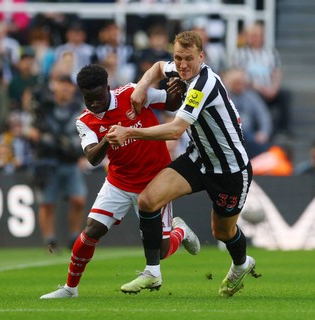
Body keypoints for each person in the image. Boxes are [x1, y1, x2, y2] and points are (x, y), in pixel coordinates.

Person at [107, 31, 260, 297]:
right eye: (178, 58)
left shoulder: (204, 84)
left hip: (230, 170)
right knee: (147, 201)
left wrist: (128, 132)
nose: (182, 65)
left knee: (222, 231)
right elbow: (156, 68)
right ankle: (152, 273)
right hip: (198, 158)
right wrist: (142, 86)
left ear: (201, 57)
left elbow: (176, 129)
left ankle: (241, 264)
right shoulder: (179, 69)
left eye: (188, 59)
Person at [40, 64, 200, 299]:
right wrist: (107, 139)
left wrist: (175, 90)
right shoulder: (84, 121)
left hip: (155, 181)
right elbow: (93, 158)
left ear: (108, 88)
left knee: (162, 251)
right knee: (92, 229)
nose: (93, 104)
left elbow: (171, 103)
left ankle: (180, 232)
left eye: (97, 97)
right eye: (87, 99)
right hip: (119, 182)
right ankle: (70, 288)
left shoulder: (132, 93)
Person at [27, 74, 88, 252]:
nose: (65, 89)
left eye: (69, 86)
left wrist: (82, 153)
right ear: (55, 87)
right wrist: (34, 134)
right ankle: (50, 241)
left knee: (79, 200)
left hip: (70, 160)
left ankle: (74, 237)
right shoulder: (43, 107)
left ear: (73, 89)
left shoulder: (79, 108)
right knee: (47, 203)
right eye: (62, 85)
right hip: (47, 160)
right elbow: (31, 129)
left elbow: (86, 131)